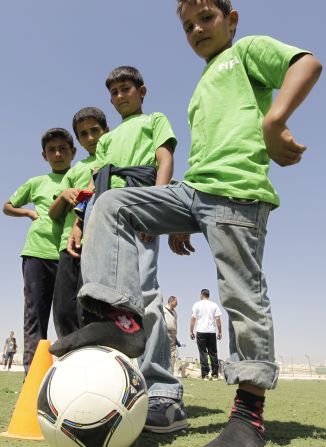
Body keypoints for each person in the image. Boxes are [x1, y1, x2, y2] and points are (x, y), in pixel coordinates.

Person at [50, 2, 322, 445]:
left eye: (207, 18)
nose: (197, 29)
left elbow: (307, 63)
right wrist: (179, 220)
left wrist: (275, 120)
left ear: (231, 21)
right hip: (194, 192)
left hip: (236, 196)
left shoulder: (246, 52)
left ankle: (247, 418)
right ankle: (121, 318)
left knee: (242, 294)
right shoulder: (201, 84)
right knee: (112, 204)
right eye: (188, 25)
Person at [60, 66, 187, 434]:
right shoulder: (106, 140)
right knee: (108, 301)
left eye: (125, 89)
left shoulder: (155, 120)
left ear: (142, 91)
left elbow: (164, 161)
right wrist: (80, 223)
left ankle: (163, 390)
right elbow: (93, 184)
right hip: (104, 217)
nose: (119, 96)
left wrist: (158, 210)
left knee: (146, 292)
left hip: (140, 208)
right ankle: (123, 384)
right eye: (113, 92)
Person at [3, 128, 76, 374]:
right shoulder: (36, 182)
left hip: (70, 254)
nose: (58, 154)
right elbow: (7, 206)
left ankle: (72, 374)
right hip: (36, 254)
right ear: (44, 155)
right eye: (51, 150)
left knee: (68, 316)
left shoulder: (80, 176)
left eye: (63, 149)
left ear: (73, 152)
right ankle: (33, 377)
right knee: (35, 316)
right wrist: (28, 212)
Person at [48, 107, 109, 338]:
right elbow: (53, 214)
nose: (91, 138)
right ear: (79, 140)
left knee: (90, 307)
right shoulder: (76, 170)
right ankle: (69, 358)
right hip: (68, 245)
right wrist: (64, 195)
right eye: (83, 134)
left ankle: (92, 355)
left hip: (99, 243)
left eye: (95, 130)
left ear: (106, 130)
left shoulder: (112, 160)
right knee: (63, 308)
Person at [190, 289, 222, 380]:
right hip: (211, 331)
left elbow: (193, 319)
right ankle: (215, 374)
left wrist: (191, 331)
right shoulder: (214, 305)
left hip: (201, 331)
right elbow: (218, 319)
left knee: (203, 353)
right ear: (208, 295)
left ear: (201, 294)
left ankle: (205, 375)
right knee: (213, 353)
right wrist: (220, 331)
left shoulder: (197, 304)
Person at [163, 296, 180, 374]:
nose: (177, 303)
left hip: (173, 333)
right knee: (164, 352)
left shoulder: (175, 312)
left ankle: (171, 372)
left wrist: (176, 337)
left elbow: (175, 323)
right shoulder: (163, 309)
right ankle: (164, 370)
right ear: (171, 301)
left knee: (173, 353)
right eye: (175, 302)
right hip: (165, 332)